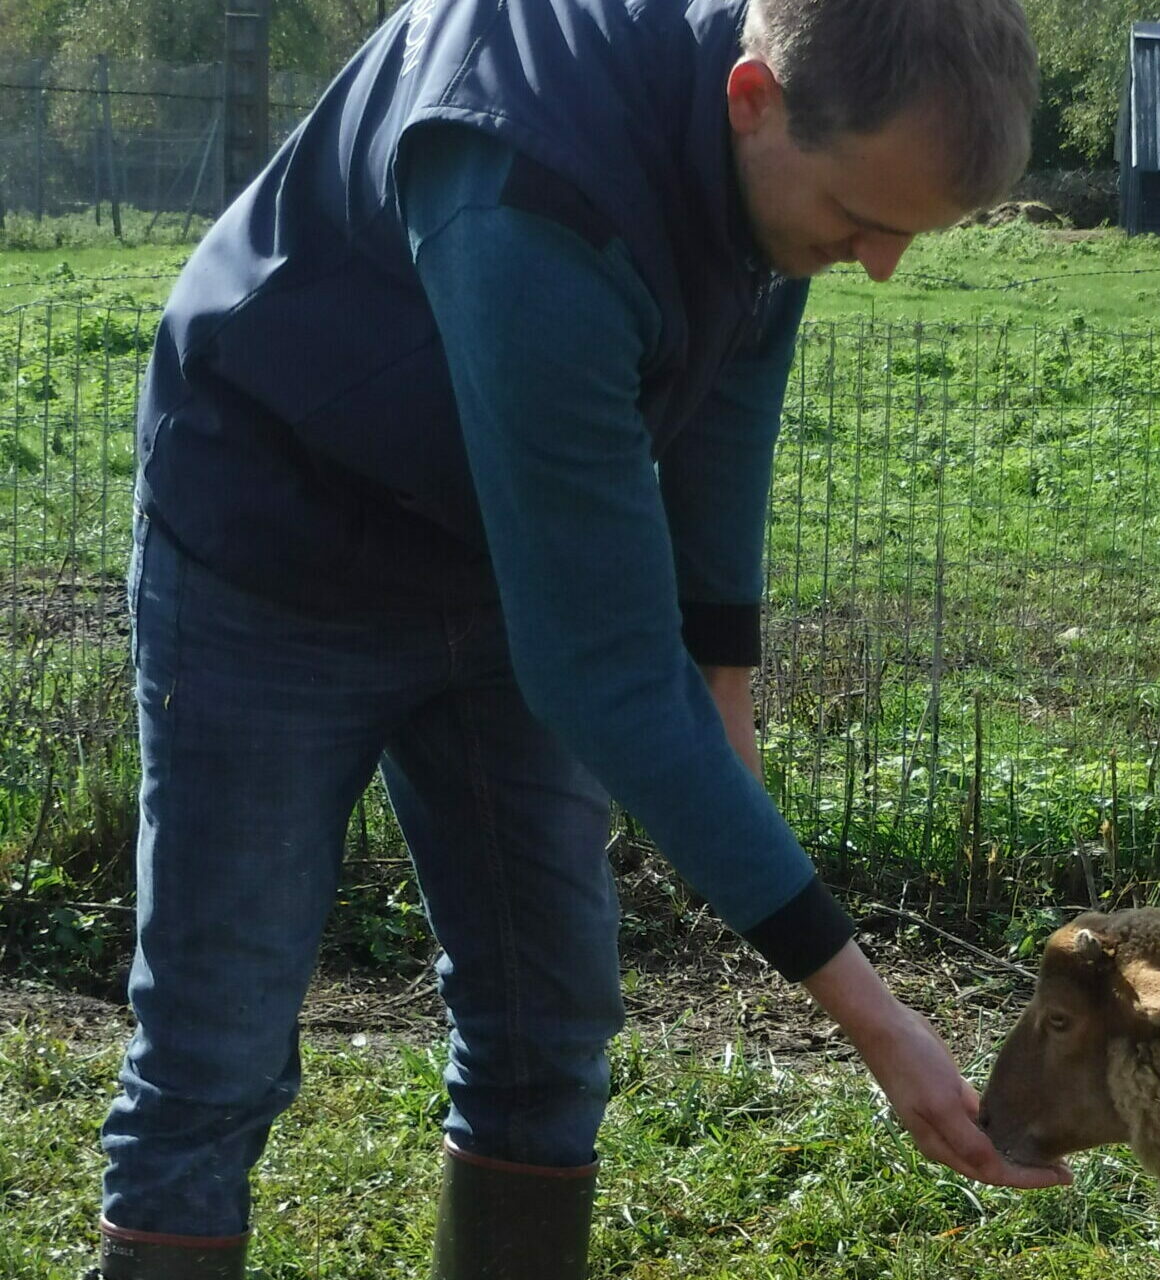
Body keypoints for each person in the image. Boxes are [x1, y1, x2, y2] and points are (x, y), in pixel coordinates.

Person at [94, 0, 1059, 1275]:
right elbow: (597, 665)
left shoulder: (771, 138)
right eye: (863, 222)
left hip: (500, 551)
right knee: (217, 1044)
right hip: (277, 547)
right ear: (752, 98)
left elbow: (738, 359)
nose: (876, 264)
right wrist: (879, 1025)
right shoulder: (524, 180)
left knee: (549, 1017)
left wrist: (725, 680)